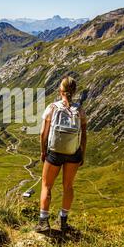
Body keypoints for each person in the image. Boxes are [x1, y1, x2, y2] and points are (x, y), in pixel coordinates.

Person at [35, 76, 87, 233]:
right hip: (73, 153)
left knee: (46, 185)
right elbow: (84, 135)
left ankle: (43, 222)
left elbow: (43, 133)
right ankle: (63, 221)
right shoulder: (80, 111)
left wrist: (44, 151)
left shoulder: (52, 108)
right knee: (68, 186)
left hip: (54, 153)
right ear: (74, 91)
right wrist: (81, 154)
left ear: (60, 90)